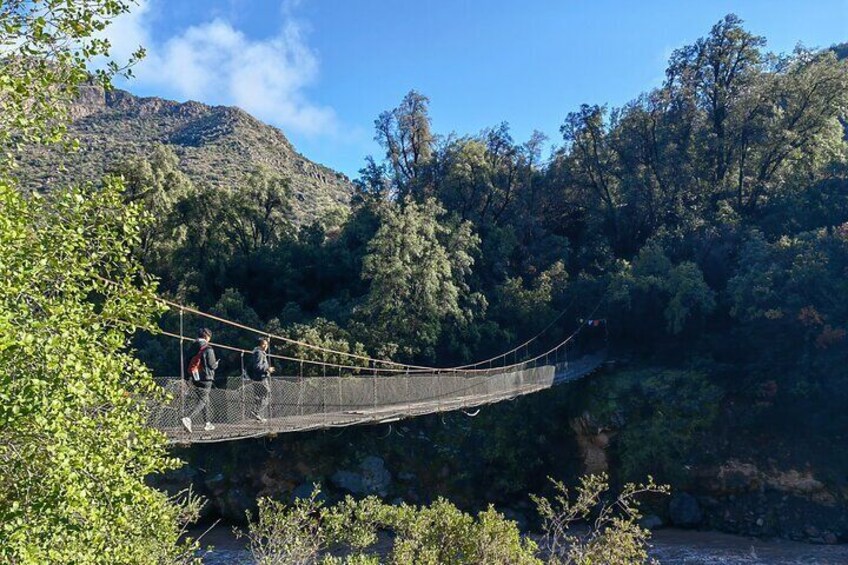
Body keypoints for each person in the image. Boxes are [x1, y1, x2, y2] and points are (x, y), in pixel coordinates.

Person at [182, 328, 219, 433]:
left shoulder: (192, 347)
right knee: (202, 400)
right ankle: (188, 418)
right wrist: (216, 364)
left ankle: (207, 423)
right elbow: (212, 365)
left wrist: (186, 377)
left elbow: (187, 361)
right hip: (206, 378)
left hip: (195, 377)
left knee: (204, 399)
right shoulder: (208, 348)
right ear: (207, 337)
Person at [249, 337, 274, 422]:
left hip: (256, 378)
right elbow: (257, 366)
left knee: (259, 397)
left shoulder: (257, 352)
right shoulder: (259, 353)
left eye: (267, 344)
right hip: (261, 378)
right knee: (267, 395)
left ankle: (257, 416)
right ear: (260, 345)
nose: (266, 346)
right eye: (264, 344)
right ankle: (256, 412)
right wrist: (267, 368)